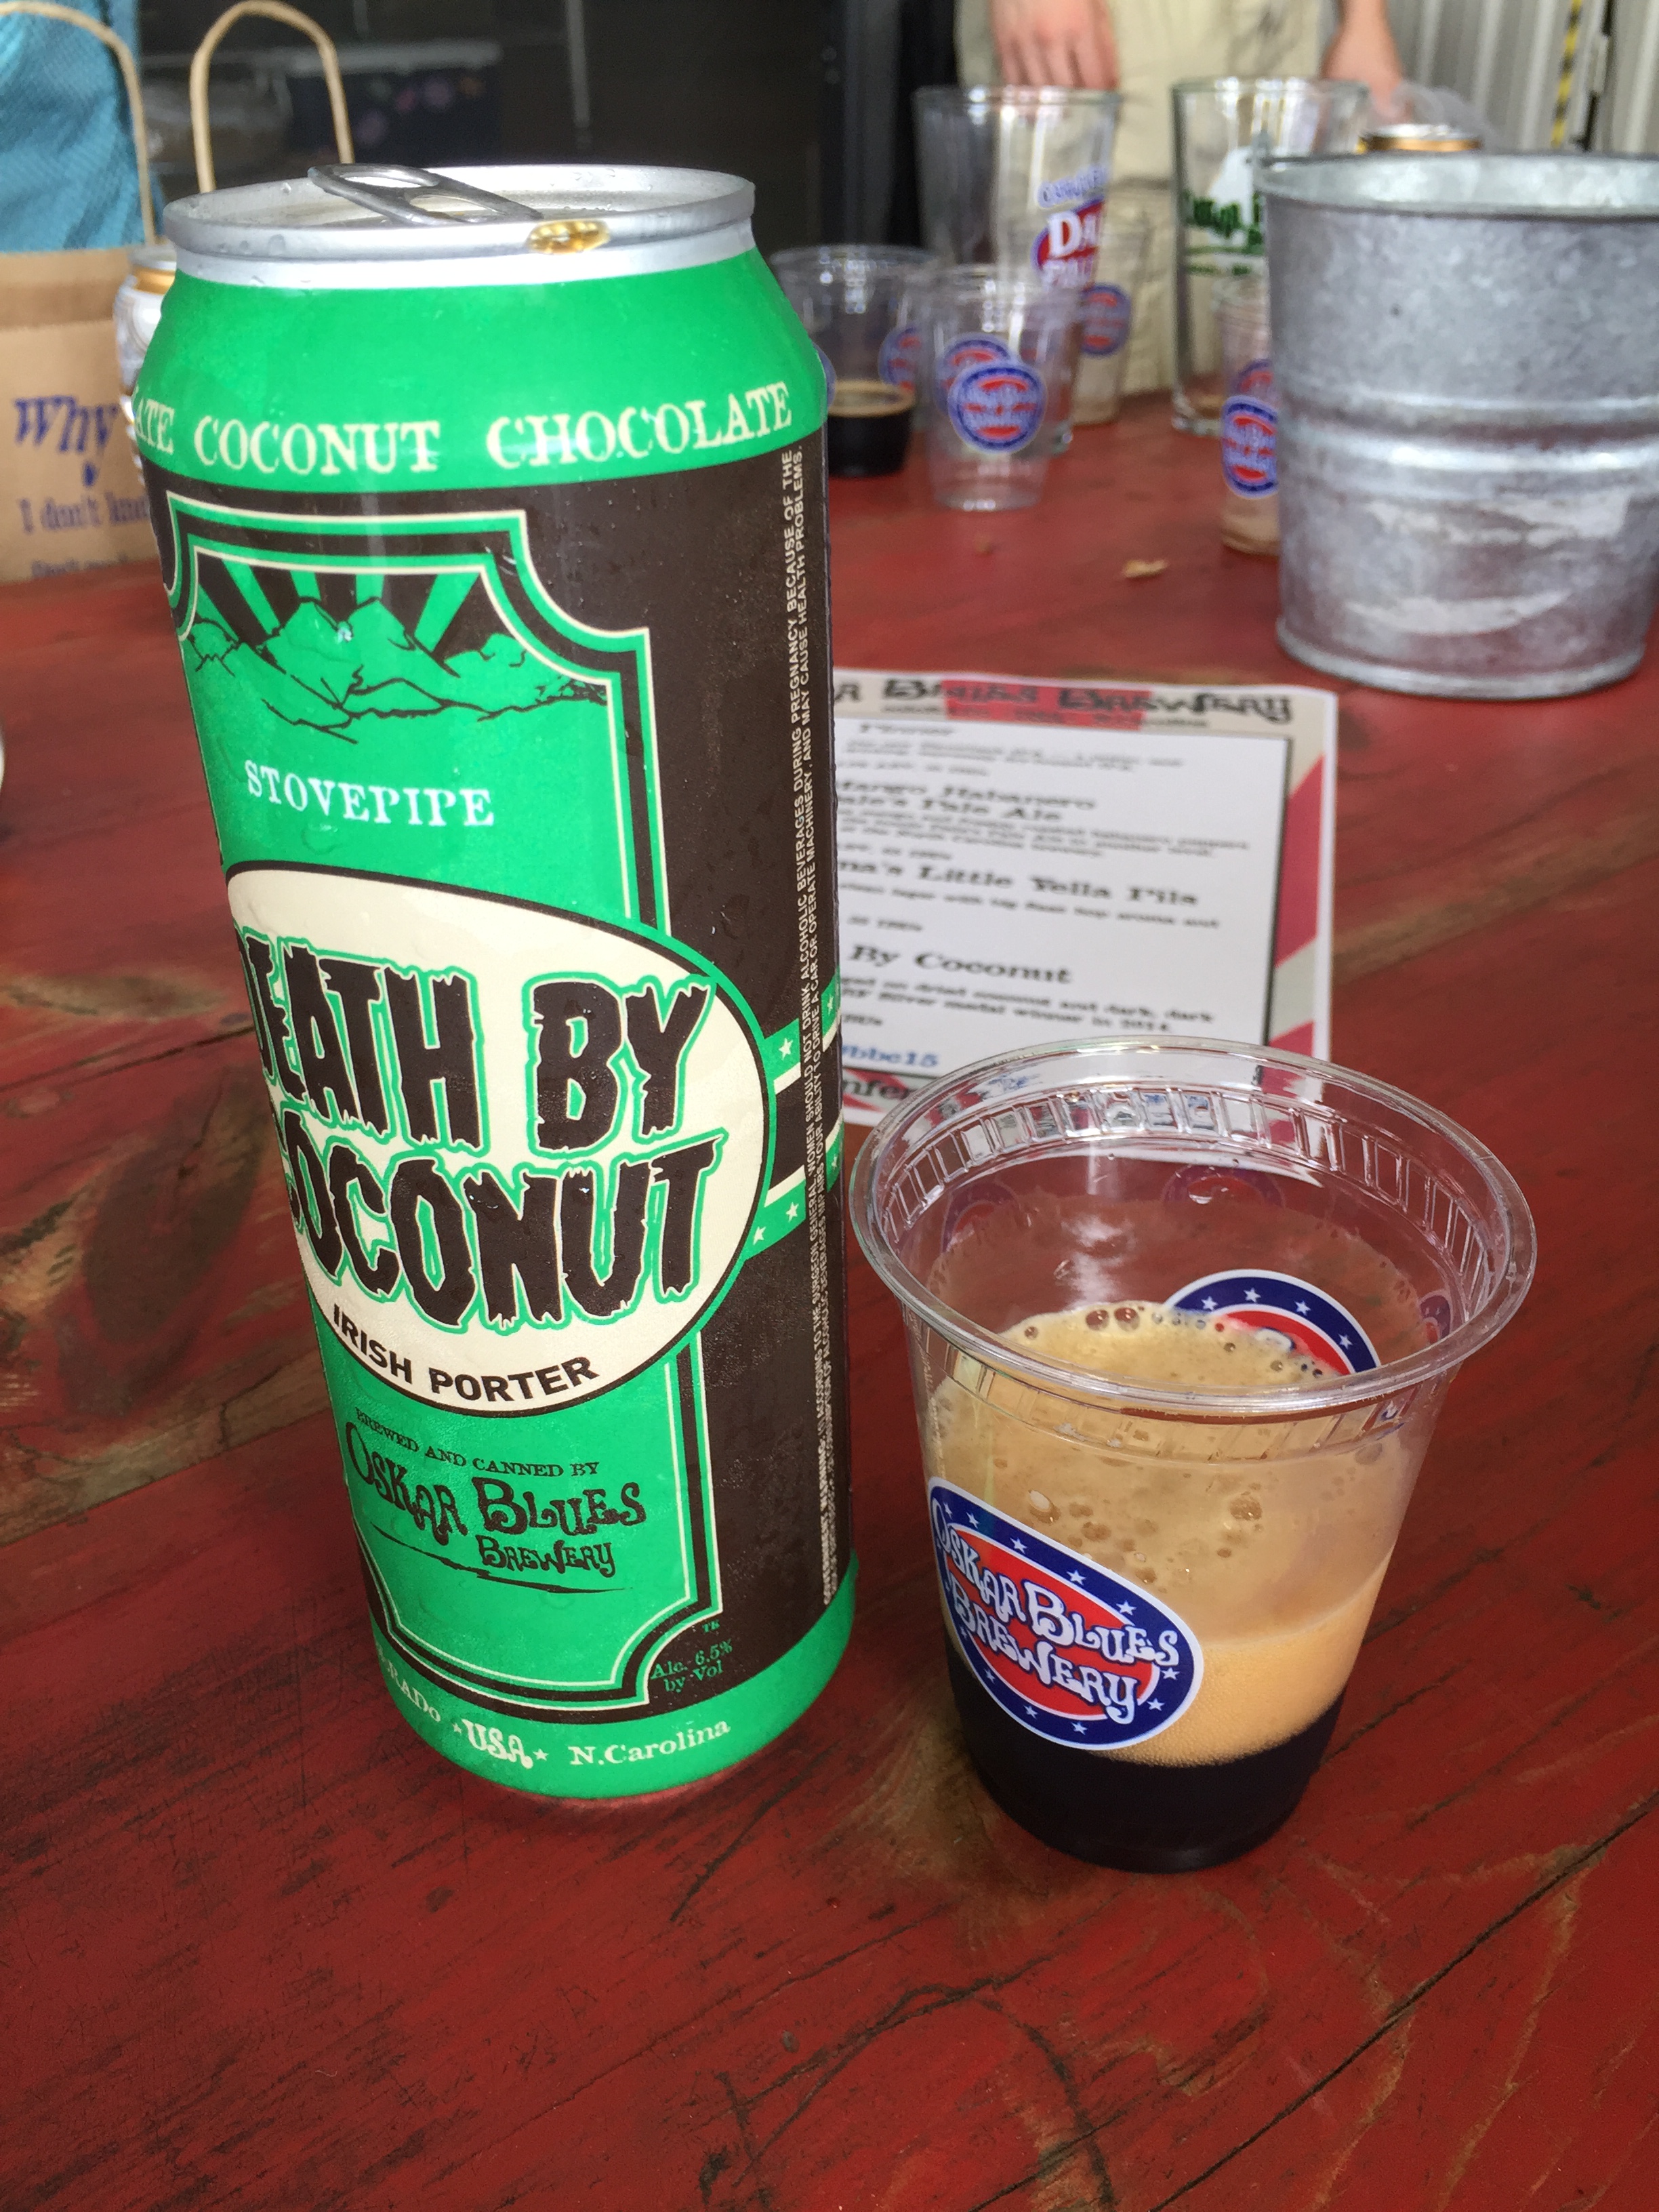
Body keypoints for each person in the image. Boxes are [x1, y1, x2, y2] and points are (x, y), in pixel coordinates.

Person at [954, 0, 1404, 392]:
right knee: (1077, 400)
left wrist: (1364, 19)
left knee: (1229, 374)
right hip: (1113, 34)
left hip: (1274, 29)